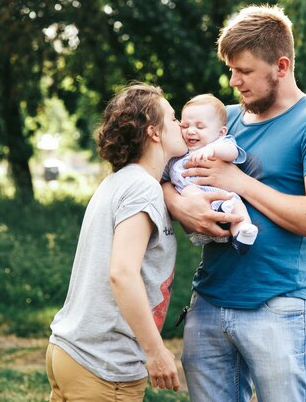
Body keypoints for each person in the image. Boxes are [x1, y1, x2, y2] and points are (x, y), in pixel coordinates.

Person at [162, 5, 306, 402]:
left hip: (277, 307)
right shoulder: (219, 121)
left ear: (281, 65)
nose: (233, 82)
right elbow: (158, 170)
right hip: (208, 303)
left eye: (244, 71)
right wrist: (179, 206)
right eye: (231, 70)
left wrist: (239, 182)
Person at [47, 83, 186, 401]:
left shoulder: (118, 182)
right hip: (102, 365)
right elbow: (122, 273)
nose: (180, 126)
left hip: (69, 352)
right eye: (173, 118)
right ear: (154, 132)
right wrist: (156, 352)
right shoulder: (142, 188)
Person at [166, 94, 258, 254]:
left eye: (200, 127)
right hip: (197, 213)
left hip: (223, 197)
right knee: (189, 192)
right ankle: (221, 212)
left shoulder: (219, 143)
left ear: (221, 132)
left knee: (238, 206)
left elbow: (232, 152)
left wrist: (212, 150)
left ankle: (242, 235)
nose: (191, 131)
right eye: (185, 125)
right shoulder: (178, 150)